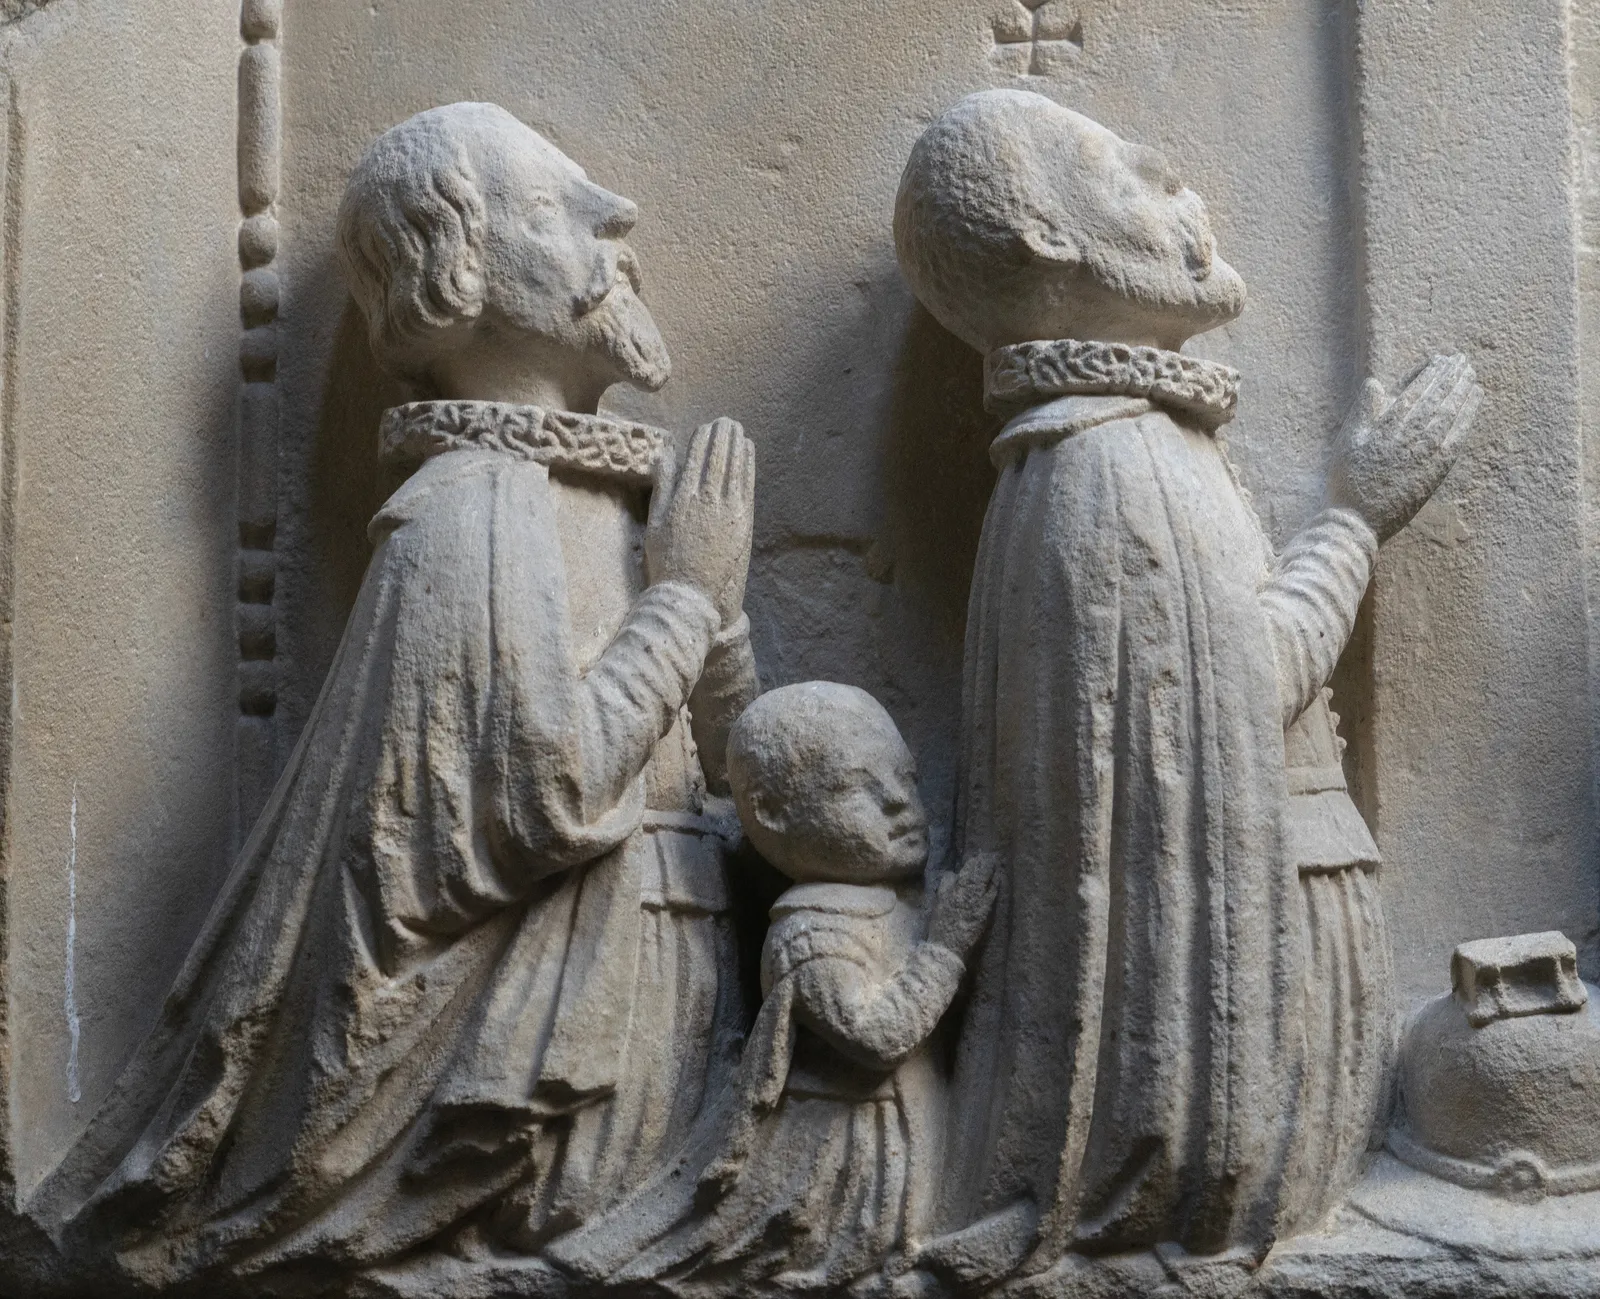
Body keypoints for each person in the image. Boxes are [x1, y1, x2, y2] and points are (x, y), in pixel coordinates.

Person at [33, 102, 761, 1289]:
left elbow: (730, 764)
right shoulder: (472, 508)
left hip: (652, 973)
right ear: (454, 273)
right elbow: (546, 794)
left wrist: (714, 617)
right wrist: (683, 604)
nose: (614, 221)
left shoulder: (611, 497)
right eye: (550, 207)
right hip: (533, 1037)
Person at [892, 90, 1482, 1273]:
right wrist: (1357, 519)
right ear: (1051, 241)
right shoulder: (1114, 462)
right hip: (1228, 1022)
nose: (1178, 181)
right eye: (1131, 174)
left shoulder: (1101, 444)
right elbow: (1241, 689)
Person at [548, 681, 997, 1295]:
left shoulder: (893, 901)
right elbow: (875, 1035)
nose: (900, 802)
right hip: (849, 1151)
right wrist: (945, 951)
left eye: (907, 777)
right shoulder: (808, 936)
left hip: (907, 1126)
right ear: (773, 814)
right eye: (858, 787)